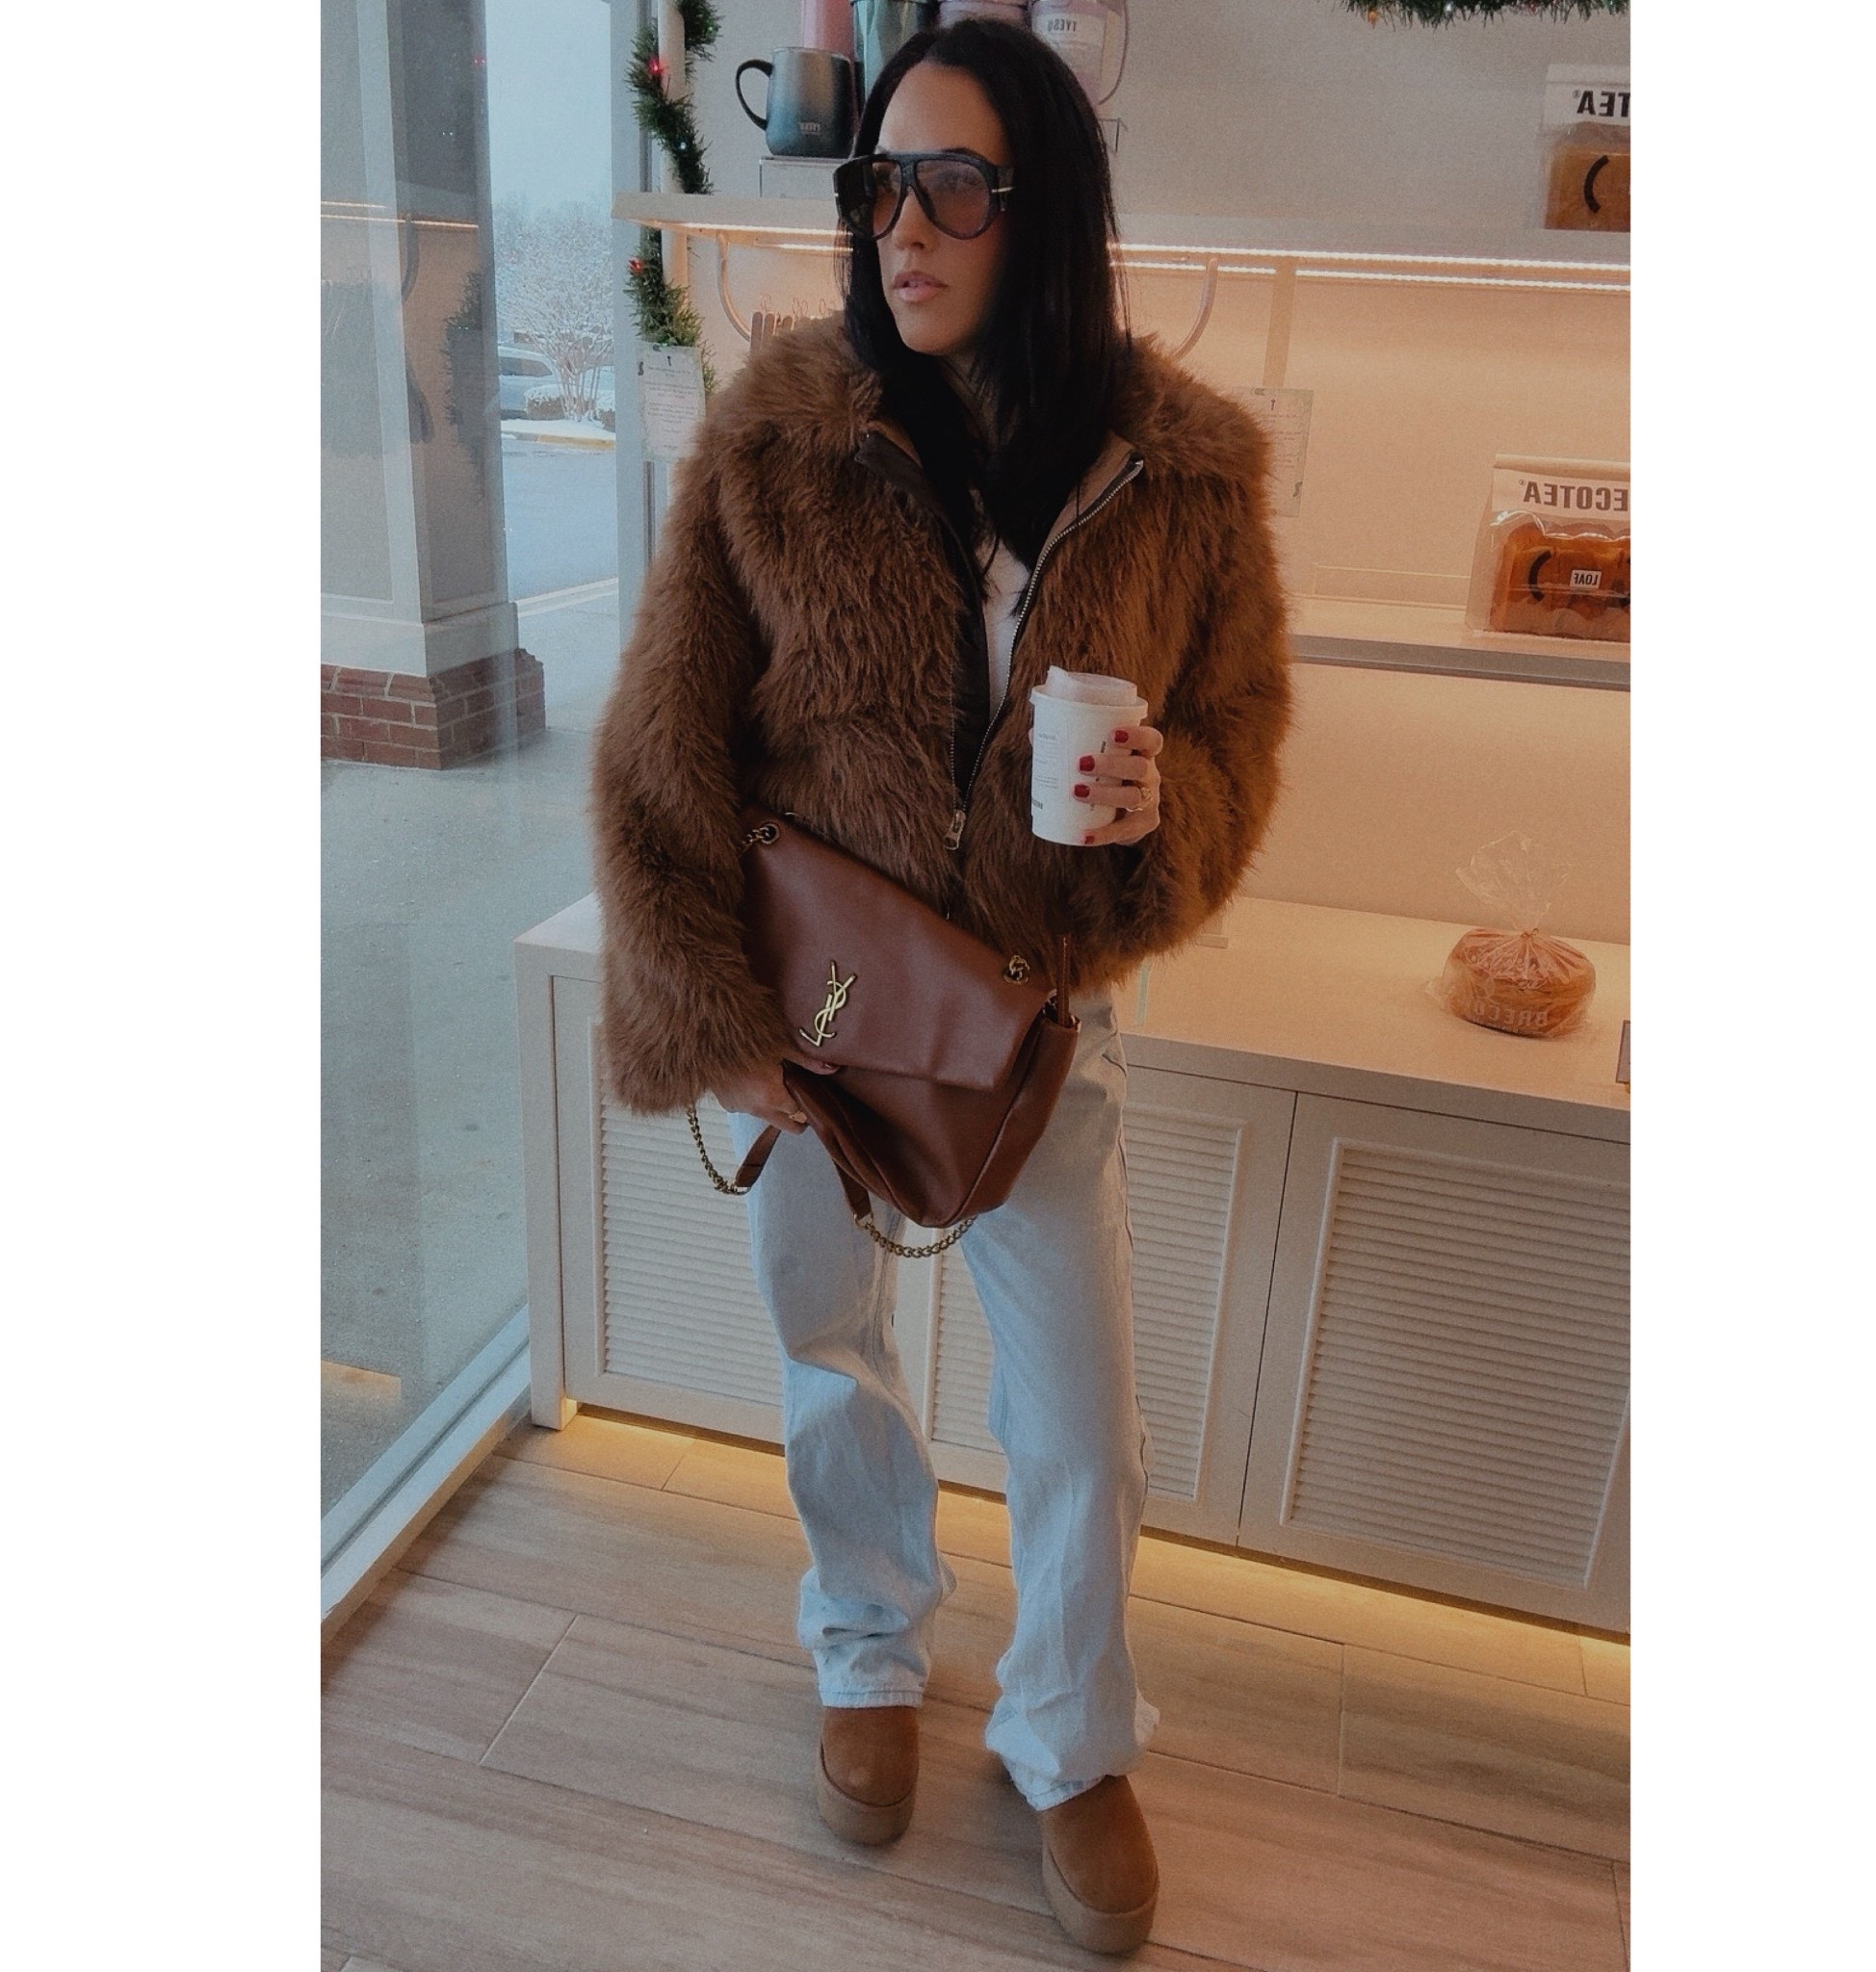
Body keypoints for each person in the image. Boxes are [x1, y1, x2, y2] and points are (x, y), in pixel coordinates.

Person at [588, 18, 1292, 1957]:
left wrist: (1167, 806)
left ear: (1042, 209)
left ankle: (1070, 1732)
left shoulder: (1180, 475)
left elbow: (1239, 729)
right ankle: (866, 1641)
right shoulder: (776, 442)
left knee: (1081, 1417)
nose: (903, 226)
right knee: (831, 1348)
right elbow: (661, 748)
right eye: (881, 185)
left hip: (1039, 1016)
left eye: (954, 186)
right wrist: (718, 1025)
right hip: (816, 1015)